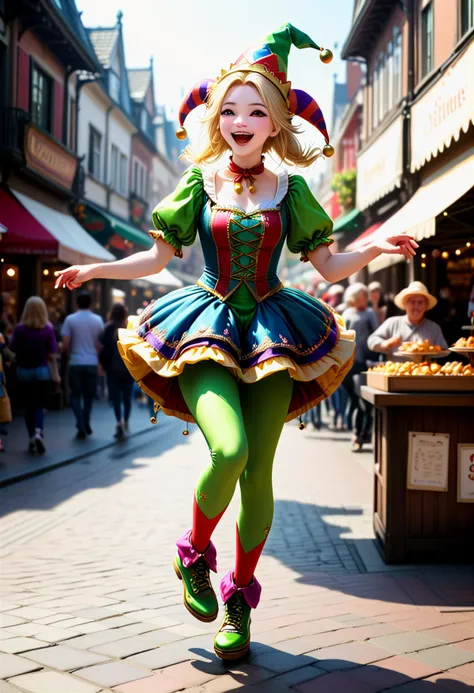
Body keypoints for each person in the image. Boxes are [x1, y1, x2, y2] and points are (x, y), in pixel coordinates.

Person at [55, 24, 417, 660]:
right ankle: (193, 554)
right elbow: (153, 257)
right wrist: (95, 270)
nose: (240, 121)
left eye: (255, 111)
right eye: (228, 109)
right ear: (215, 117)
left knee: (259, 478)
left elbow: (329, 269)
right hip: (205, 326)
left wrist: (376, 246)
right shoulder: (198, 183)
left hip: (276, 333)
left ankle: (239, 601)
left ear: (275, 122)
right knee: (229, 451)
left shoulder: (293, 189)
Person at [9, 297, 59, 453]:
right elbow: (53, 350)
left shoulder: (19, 329)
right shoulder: (48, 328)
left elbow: (12, 348)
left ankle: (31, 436)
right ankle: (38, 432)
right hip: (42, 370)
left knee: (28, 406)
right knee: (39, 404)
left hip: (24, 371)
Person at [61, 291, 104, 439]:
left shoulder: (70, 320)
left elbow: (65, 343)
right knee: (88, 396)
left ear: (76, 303)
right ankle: (86, 421)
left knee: (75, 394)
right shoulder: (98, 320)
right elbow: (100, 344)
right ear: (91, 303)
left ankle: (79, 422)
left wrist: (68, 353)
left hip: (75, 362)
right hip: (91, 362)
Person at [368, 281, 447, 361]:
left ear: (426, 306)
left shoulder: (433, 327)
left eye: (420, 302)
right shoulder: (392, 323)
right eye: (412, 302)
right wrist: (385, 343)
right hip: (396, 371)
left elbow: (444, 350)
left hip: (424, 372)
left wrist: (430, 350)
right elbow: (371, 340)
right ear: (405, 304)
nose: (416, 307)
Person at [342, 284, 379, 452]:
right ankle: (359, 433)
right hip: (349, 362)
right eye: (363, 294)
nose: (366, 297)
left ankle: (361, 434)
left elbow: (376, 335)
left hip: (365, 362)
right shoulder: (348, 313)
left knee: (363, 400)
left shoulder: (370, 313)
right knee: (356, 399)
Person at [100, 303, 134, 439]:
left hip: (112, 370)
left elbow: (102, 347)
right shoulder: (129, 328)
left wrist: (102, 365)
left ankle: (118, 421)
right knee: (127, 398)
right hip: (128, 368)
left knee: (115, 398)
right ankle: (125, 421)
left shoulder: (108, 328)